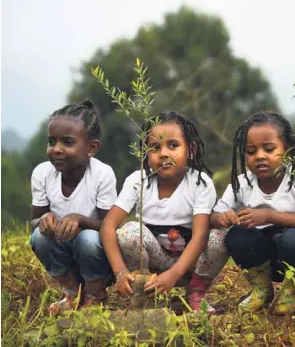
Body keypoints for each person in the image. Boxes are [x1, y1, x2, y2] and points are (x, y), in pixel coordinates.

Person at [100, 112, 228, 313]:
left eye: (173, 145)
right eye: (155, 147)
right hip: (154, 264)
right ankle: (142, 291)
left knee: (220, 235)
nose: (164, 153)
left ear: (191, 150)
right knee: (129, 231)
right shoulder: (137, 181)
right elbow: (108, 226)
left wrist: (175, 273)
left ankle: (196, 293)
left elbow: (201, 235)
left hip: (191, 265)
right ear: (145, 152)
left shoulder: (200, 183)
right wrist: (120, 272)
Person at [213, 111, 295, 315]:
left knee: (294, 238)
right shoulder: (243, 182)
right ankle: (262, 289)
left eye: (269, 149)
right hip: (265, 257)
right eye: (251, 151)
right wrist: (222, 217)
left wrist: (268, 216)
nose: (260, 156)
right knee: (236, 235)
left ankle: (294, 288)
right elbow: (214, 214)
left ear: (287, 149)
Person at [30, 100, 117, 315]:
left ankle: (95, 292)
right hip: (63, 252)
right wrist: (43, 222)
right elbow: (32, 222)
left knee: (88, 239)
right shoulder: (42, 173)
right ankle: (71, 291)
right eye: (52, 141)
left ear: (91, 148)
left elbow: (111, 227)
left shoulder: (102, 175)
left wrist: (81, 220)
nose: (56, 149)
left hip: (96, 255)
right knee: (38, 237)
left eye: (67, 142)